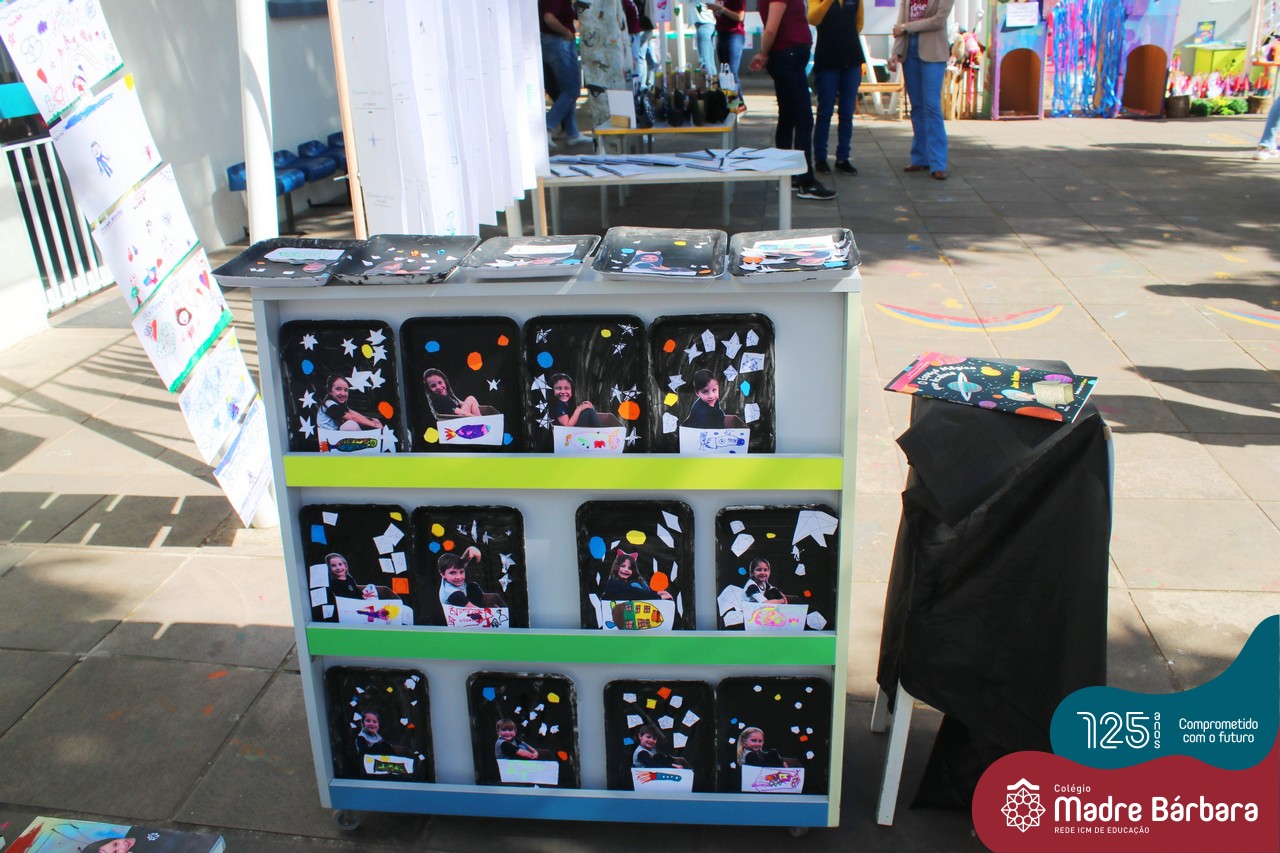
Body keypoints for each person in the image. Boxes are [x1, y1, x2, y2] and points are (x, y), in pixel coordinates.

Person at [748, 0, 837, 200]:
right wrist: (763, 54)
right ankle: (805, 181)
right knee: (803, 119)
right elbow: (770, 29)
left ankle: (788, 175)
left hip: (788, 55)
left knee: (788, 118)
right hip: (787, 56)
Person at [888, 0, 955, 180]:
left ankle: (938, 163)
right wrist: (896, 51)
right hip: (910, 51)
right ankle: (920, 158)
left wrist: (906, 27)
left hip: (933, 51)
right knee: (917, 107)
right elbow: (901, 22)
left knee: (932, 107)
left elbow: (938, 20)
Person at [808, 0, 865, 176]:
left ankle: (843, 158)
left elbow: (859, 23)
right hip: (827, 59)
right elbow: (813, 18)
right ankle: (820, 158)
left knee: (847, 112)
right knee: (825, 111)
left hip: (851, 58)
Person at [540, 0, 591, 148]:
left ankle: (571, 132)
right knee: (572, 89)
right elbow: (549, 17)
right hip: (559, 42)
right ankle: (547, 126)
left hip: (551, 41)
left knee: (564, 91)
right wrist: (566, 32)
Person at [317, 375, 382, 432]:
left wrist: (370, 419)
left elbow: (352, 413)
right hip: (328, 436)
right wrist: (374, 425)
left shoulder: (337, 403)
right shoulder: (329, 404)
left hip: (335, 433)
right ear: (329, 391)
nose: (343, 393)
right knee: (351, 425)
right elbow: (353, 418)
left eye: (346, 390)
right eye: (338, 389)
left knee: (360, 422)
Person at [600, 549, 673, 600]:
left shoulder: (634, 583)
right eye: (623, 566)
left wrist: (657, 593)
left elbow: (640, 592)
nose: (626, 570)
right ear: (617, 567)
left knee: (636, 584)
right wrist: (658, 596)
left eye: (630, 568)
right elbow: (633, 593)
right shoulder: (612, 583)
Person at [708, 1, 746, 96]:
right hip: (721, 34)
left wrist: (722, 9)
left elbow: (740, 17)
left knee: (731, 72)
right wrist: (715, 10)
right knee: (724, 72)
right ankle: (728, 100)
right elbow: (718, 16)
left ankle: (737, 102)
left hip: (734, 34)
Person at [685, 2, 718, 83]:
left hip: (703, 24)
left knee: (704, 60)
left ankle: (708, 84)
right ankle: (714, 84)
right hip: (710, 23)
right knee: (710, 59)